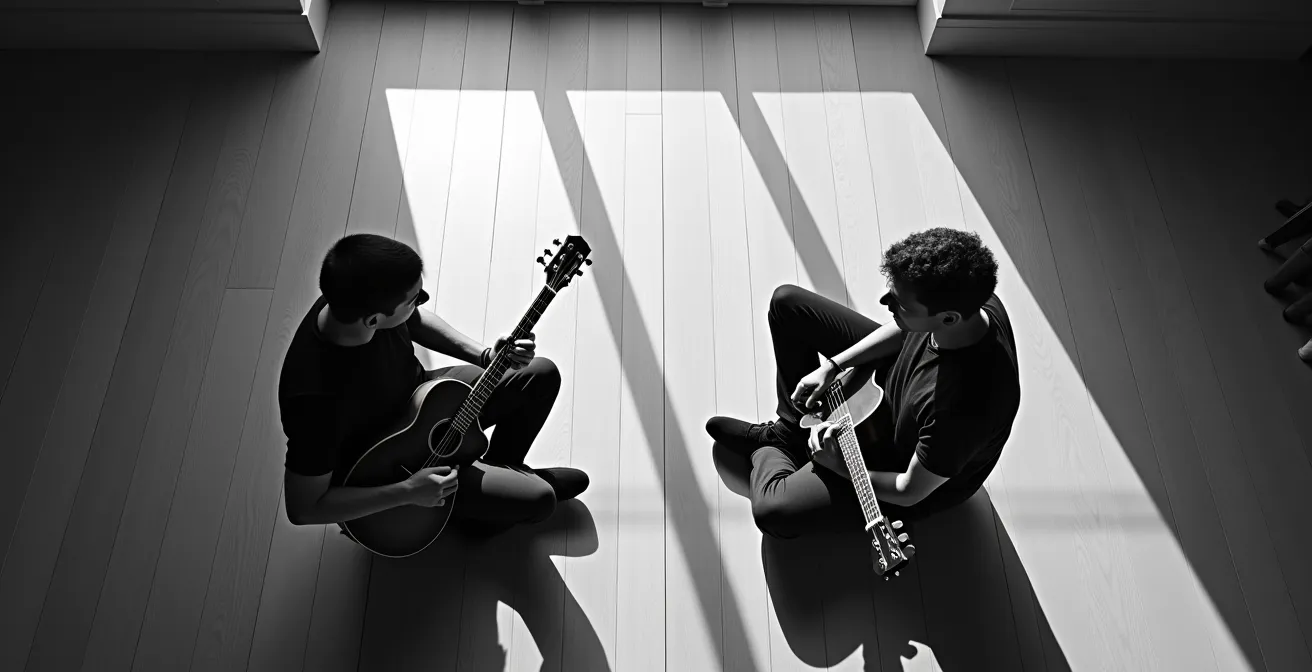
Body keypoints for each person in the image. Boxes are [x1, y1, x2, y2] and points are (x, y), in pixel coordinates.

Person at [706, 228, 1021, 539]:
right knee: (786, 303)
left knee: (773, 511)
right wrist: (833, 366)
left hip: (902, 460)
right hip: (897, 380)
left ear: (948, 318)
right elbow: (906, 330)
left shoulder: (965, 408)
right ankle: (790, 431)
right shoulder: (969, 301)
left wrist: (840, 466)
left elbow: (909, 490)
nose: (884, 302)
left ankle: (773, 449)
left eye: (900, 303)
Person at [278, 234, 588, 538]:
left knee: (541, 375)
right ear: (373, 321)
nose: (423, 300)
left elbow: (412, 320)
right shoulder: (314, 403)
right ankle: (484, 513)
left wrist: (485, 356)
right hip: (397, 467)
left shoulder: (352, 296)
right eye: (414, 299)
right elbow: (304, 508)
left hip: (424, 400)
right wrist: (409, 491)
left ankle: (501, 476)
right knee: (542, 500)